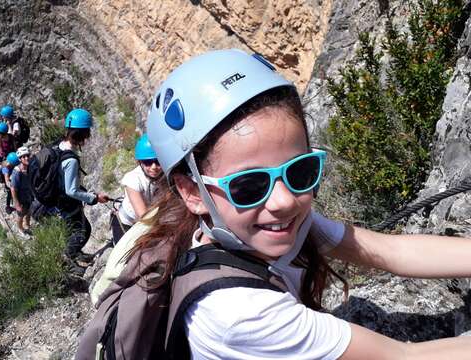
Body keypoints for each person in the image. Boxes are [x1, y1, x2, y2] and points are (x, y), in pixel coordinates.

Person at [129, 49, 471, 358]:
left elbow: (389, 252)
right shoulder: (235, 313)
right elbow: (403, 357)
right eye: (249, 186)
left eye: (300, 171)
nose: (283, 200)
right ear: (192, 192)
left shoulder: (263, 224)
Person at [56, 108, 109, 266]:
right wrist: (94, 198)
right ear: (82, 134)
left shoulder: (59, 146)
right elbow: (71, 190)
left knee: (72, 230)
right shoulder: (71, 160)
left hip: (59, 201)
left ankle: (75, 254)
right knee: (83, 231)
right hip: (68, 203)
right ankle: (68, 261)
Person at [111, 133, 163, 244]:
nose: (154, 167)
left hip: (151, 218)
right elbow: (144, 216)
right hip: (127, 224)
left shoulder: (165, 175)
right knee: (124, 259)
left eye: (157, 161)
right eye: (148, 162)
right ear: (139, 162)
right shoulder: (133, 180)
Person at [10, 146, 33, 235]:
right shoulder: (17, 172)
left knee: (29, 211)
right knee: (21, 214)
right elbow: (13, 189)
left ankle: (27, 224)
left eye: (27, 155)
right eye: (23, 156)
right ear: (20, 159)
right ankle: (20, 228)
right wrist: (17, 204)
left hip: (29, 194)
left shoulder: (29, 167)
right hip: (21, 197)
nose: (26, 158)